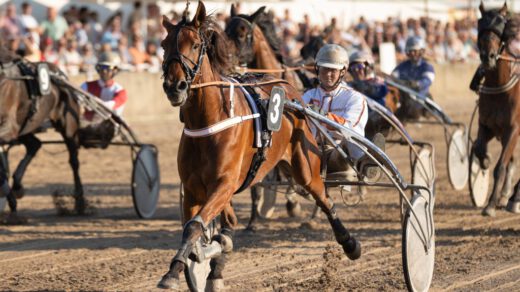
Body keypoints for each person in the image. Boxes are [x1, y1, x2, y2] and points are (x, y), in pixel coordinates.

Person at [302, 44, 383, 181]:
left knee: (348, 140)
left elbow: (350, 128)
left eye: (333, 70)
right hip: (310, 150)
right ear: (317, 69)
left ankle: (367, 162)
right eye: (324, 69)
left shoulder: (354, 98)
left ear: (343, 72)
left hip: (339, 151)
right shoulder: (308, 96)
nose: (328, 75)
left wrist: (324, 116)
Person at [78, 52, 127, 148]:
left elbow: (110, 106)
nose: (104, 71)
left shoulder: (120, 91)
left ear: (116, 70)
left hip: (107, 129)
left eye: (108, 68)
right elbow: (77, 101)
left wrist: (93, 102)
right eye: (102, 67)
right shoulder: (86, 86)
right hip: (87, 126)